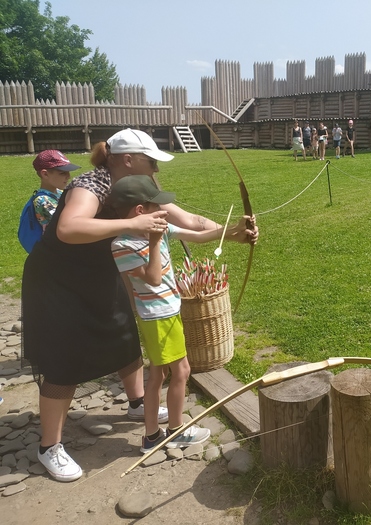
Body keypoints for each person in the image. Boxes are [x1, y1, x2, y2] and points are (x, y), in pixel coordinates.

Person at [21, 128, 258, 482]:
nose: (156, 170)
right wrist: (133, 223)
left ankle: (137, 404)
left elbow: (190, 223)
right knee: (63, 359)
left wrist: (234, 231)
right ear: (128, 160)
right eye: (151, 162)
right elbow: (67, 229)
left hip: (102, 272)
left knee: (123, 335)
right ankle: (49, 446)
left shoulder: (140, 191)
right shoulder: (92, 185)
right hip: (60, 280)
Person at [110, 176, 253, 452]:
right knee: (181, 371)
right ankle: (175, 431)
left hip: (167, 313)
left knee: (160, 374)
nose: (162, 211)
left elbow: (198, 235)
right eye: (156, 206)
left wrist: (236, 228)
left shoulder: (160, 229)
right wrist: (154, 241)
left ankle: (152, 435)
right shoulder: (123, 245)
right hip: (157, 317)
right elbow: (153, 278)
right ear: (140, 211)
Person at [18, 151, 81, 253]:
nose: (68, 176)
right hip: (55, 254)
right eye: (62, 173)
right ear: (45, 174)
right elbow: (69, 226)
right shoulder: (43, 201)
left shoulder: (59, 192)